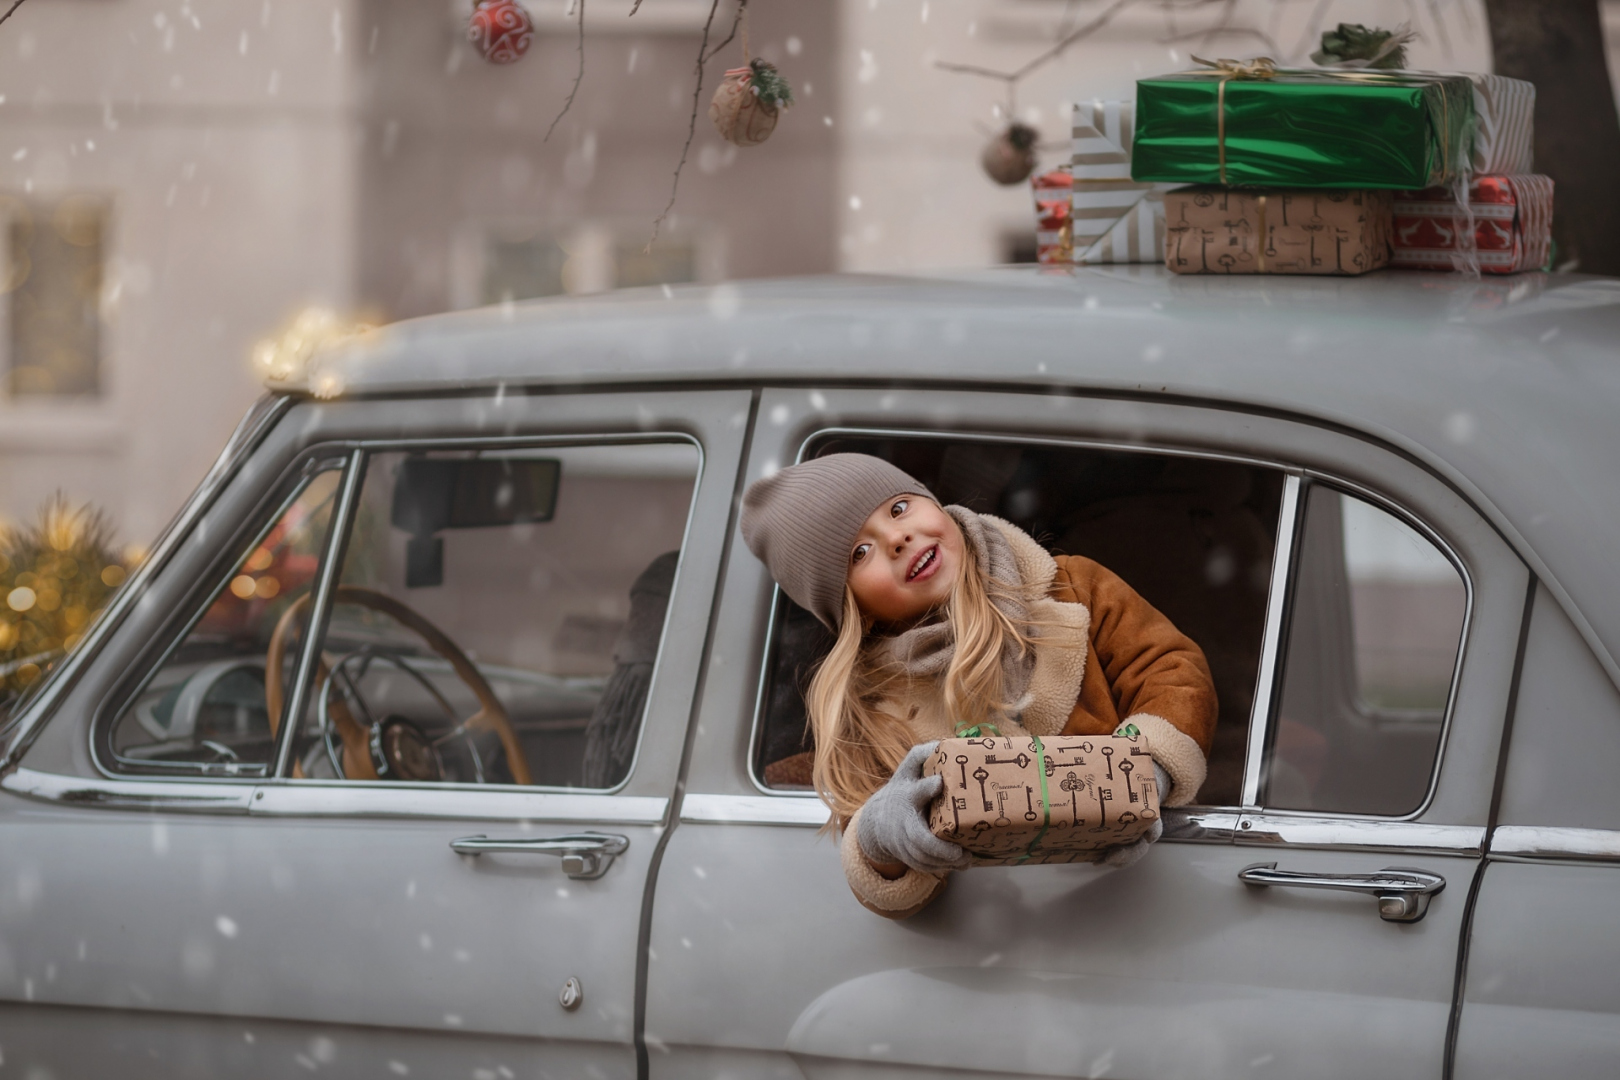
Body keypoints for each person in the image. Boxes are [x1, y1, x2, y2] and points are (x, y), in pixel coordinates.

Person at [740, 453, 1217, 918]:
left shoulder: (1072, 587)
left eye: (899, 508)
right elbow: (897, 882)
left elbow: (1170, 668)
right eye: (859, 553)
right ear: (852, 608)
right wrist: (881, 836)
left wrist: (1149, 768)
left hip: (1126, 905)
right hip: (996, 933)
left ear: (934, 502)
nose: (898, 538)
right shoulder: (868, 711)